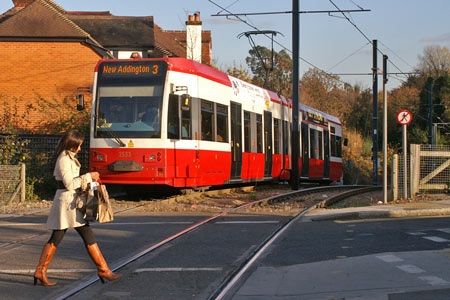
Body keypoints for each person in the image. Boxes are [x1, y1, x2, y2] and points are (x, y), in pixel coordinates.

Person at [33, 130, 121, 286]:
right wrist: (88, 176)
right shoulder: (64, 160)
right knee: (59, 237)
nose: (80, 149)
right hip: (66, 204)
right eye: (78, 146)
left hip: (71, 203)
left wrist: (89, 180)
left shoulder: (68, 158)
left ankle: (103, 269)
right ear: (72, 145)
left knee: (82, 234)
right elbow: (69, 184)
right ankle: (41, 271)